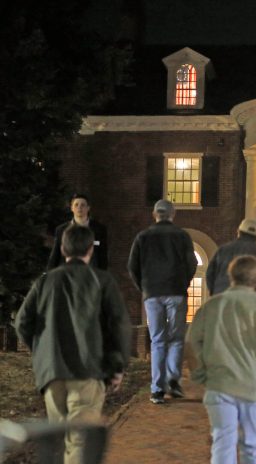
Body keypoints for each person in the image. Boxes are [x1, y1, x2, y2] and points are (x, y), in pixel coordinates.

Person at [15, 225, 131, 464]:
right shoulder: (101, 280)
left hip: (52, 371)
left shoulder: (46, 281)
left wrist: (41, 352)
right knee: (80, 442)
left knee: (58, 441)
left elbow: (23, 322)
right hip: (87, 371)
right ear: (90, 249)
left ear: (62, 248)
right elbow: (118, 325)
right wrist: (117, 366)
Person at [186, 255, 256, 464]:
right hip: (252, 383)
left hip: (219, 384)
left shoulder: (211, 306)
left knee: (222, 442)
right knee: (251, 443)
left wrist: (200, 374)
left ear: (231, 276)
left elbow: (191, 343)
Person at [128, 199, 197, 404]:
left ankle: (157, 389)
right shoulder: (182, 236)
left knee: (157, 340)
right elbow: (191, 263)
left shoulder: (143, 237)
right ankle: (173, 381)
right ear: (172, 215)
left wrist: (145, 287)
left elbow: (133, 266)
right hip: (176, 291)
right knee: (176, 338)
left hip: (152, 293)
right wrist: (182, 281)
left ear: (154, 215)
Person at [206, 218, 256, 297]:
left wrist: (215, 293)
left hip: (222, 296)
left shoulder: (223, 249)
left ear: (239, 232)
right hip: (249, 299)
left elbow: (210, 273)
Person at [47, 193, 109, 270]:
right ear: (71, 208)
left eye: (83, 205)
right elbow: (56, 254)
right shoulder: (61, 230)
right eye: (76, 205)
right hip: (67, 273)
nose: (79, 207)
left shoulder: (99, 229)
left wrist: (102, 275)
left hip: (91, 273)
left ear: (88, 208)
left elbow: (103, 255)